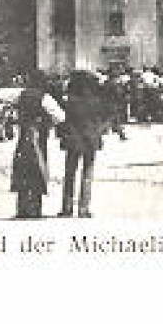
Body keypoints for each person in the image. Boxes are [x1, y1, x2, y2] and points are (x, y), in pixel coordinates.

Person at [11, 75, 66, 219]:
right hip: (39, 137)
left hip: (24, 137)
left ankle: (21, 208)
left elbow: (0, 95)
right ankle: (35, 208)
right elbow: (60, 117)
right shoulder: (45, 98)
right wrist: (49, 123)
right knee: (37, 170)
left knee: (22, 170)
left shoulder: (20, 94)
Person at [59, 71, 107, 218]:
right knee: (87, 173)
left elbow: (62, 122)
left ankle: (67, 208)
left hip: (73, 141)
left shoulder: (68, 102)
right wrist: (98, 133)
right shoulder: (97, 101)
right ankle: (83, 208)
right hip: (91, 140)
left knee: (69, 174)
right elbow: (103, 121)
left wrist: (63, 135)